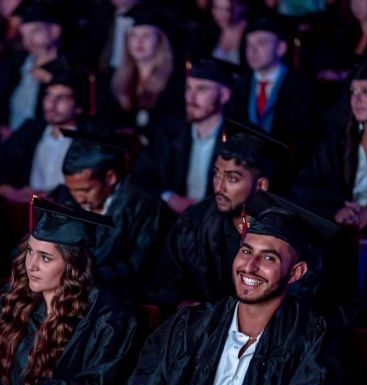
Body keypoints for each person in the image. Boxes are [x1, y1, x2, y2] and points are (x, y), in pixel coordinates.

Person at [101, 191, 342, 385]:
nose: (250, 266)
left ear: (296, 272)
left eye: (269, 258)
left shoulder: (311, 342)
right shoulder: (188, 326)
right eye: (246, 251)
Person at [0, 197, 138, 385]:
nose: (31, 265)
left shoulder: (107, 319)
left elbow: (98, 382)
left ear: (73, 265)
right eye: (30, 251)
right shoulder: (12, 298)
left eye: (45, 258)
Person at [147, 130, 274, 306]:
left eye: (232, 178)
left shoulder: (279, 236)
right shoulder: (194, 221)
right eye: (216, 174)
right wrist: (183, 305)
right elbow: (165, 281)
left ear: (261, 185)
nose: (219, 187)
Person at [49, 128, 162, 300]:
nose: (78, 197)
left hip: (116, 299)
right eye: (72, 189)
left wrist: (83, 276)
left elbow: (139, 266)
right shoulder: (62, 198)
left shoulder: (144, 206)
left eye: (86, 190)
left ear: (110, 178)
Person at [292, 59, 367, 237]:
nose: (357, 100)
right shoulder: (339, 142)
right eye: (353, 92)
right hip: (343, 234)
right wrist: (338, 208)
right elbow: (304, 186)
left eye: (366, 92)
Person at [224, 17, 317, 187]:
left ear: (281, 48)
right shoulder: (238, 86)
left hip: (287, 176)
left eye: (261, 43)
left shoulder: (302, 87)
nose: (252, 50)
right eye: (248, 44)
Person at [132, 58, 233, 215]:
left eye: (201, 89)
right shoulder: (168, 132)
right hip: (172, 221)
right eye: (188, 88)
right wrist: (170, 197)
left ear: (224, 95)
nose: (190, 98)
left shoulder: (237, 140)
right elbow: (141, 175)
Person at [0, 59, 91, 203]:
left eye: (61, 98)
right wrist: (10, 191)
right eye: (48, 95)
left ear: (78, 107)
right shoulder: (31, 131)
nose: (51, 104)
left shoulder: (90, 139)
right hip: (31, 210)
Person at [0, 1, 64, 139]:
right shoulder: (14, 64)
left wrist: (52, 80)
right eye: (24, 34)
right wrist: (0, 126)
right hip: (11, 140)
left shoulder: (69, 69)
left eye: (35, 31)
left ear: (55, 31)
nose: (29, 40)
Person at [108, 4, 183, 140]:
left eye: (147, 35)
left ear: (159, 41)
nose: (139, 41)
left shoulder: (174, 82)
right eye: (133, 35)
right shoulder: (116, 80)